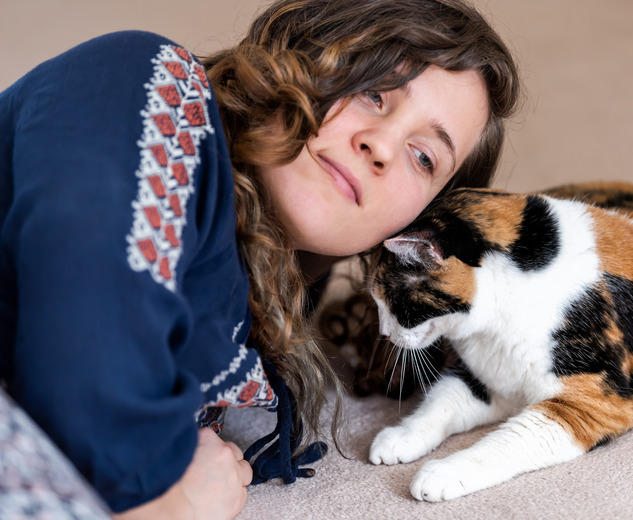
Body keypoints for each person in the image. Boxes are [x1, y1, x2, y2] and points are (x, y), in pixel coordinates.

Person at [0, 0, 521, 517]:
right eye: (372, 93)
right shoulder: (151, 82)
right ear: (303, 57)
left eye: (424, 156)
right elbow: (84, 344)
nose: (381, 145)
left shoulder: (247, 307)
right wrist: (178, 506)